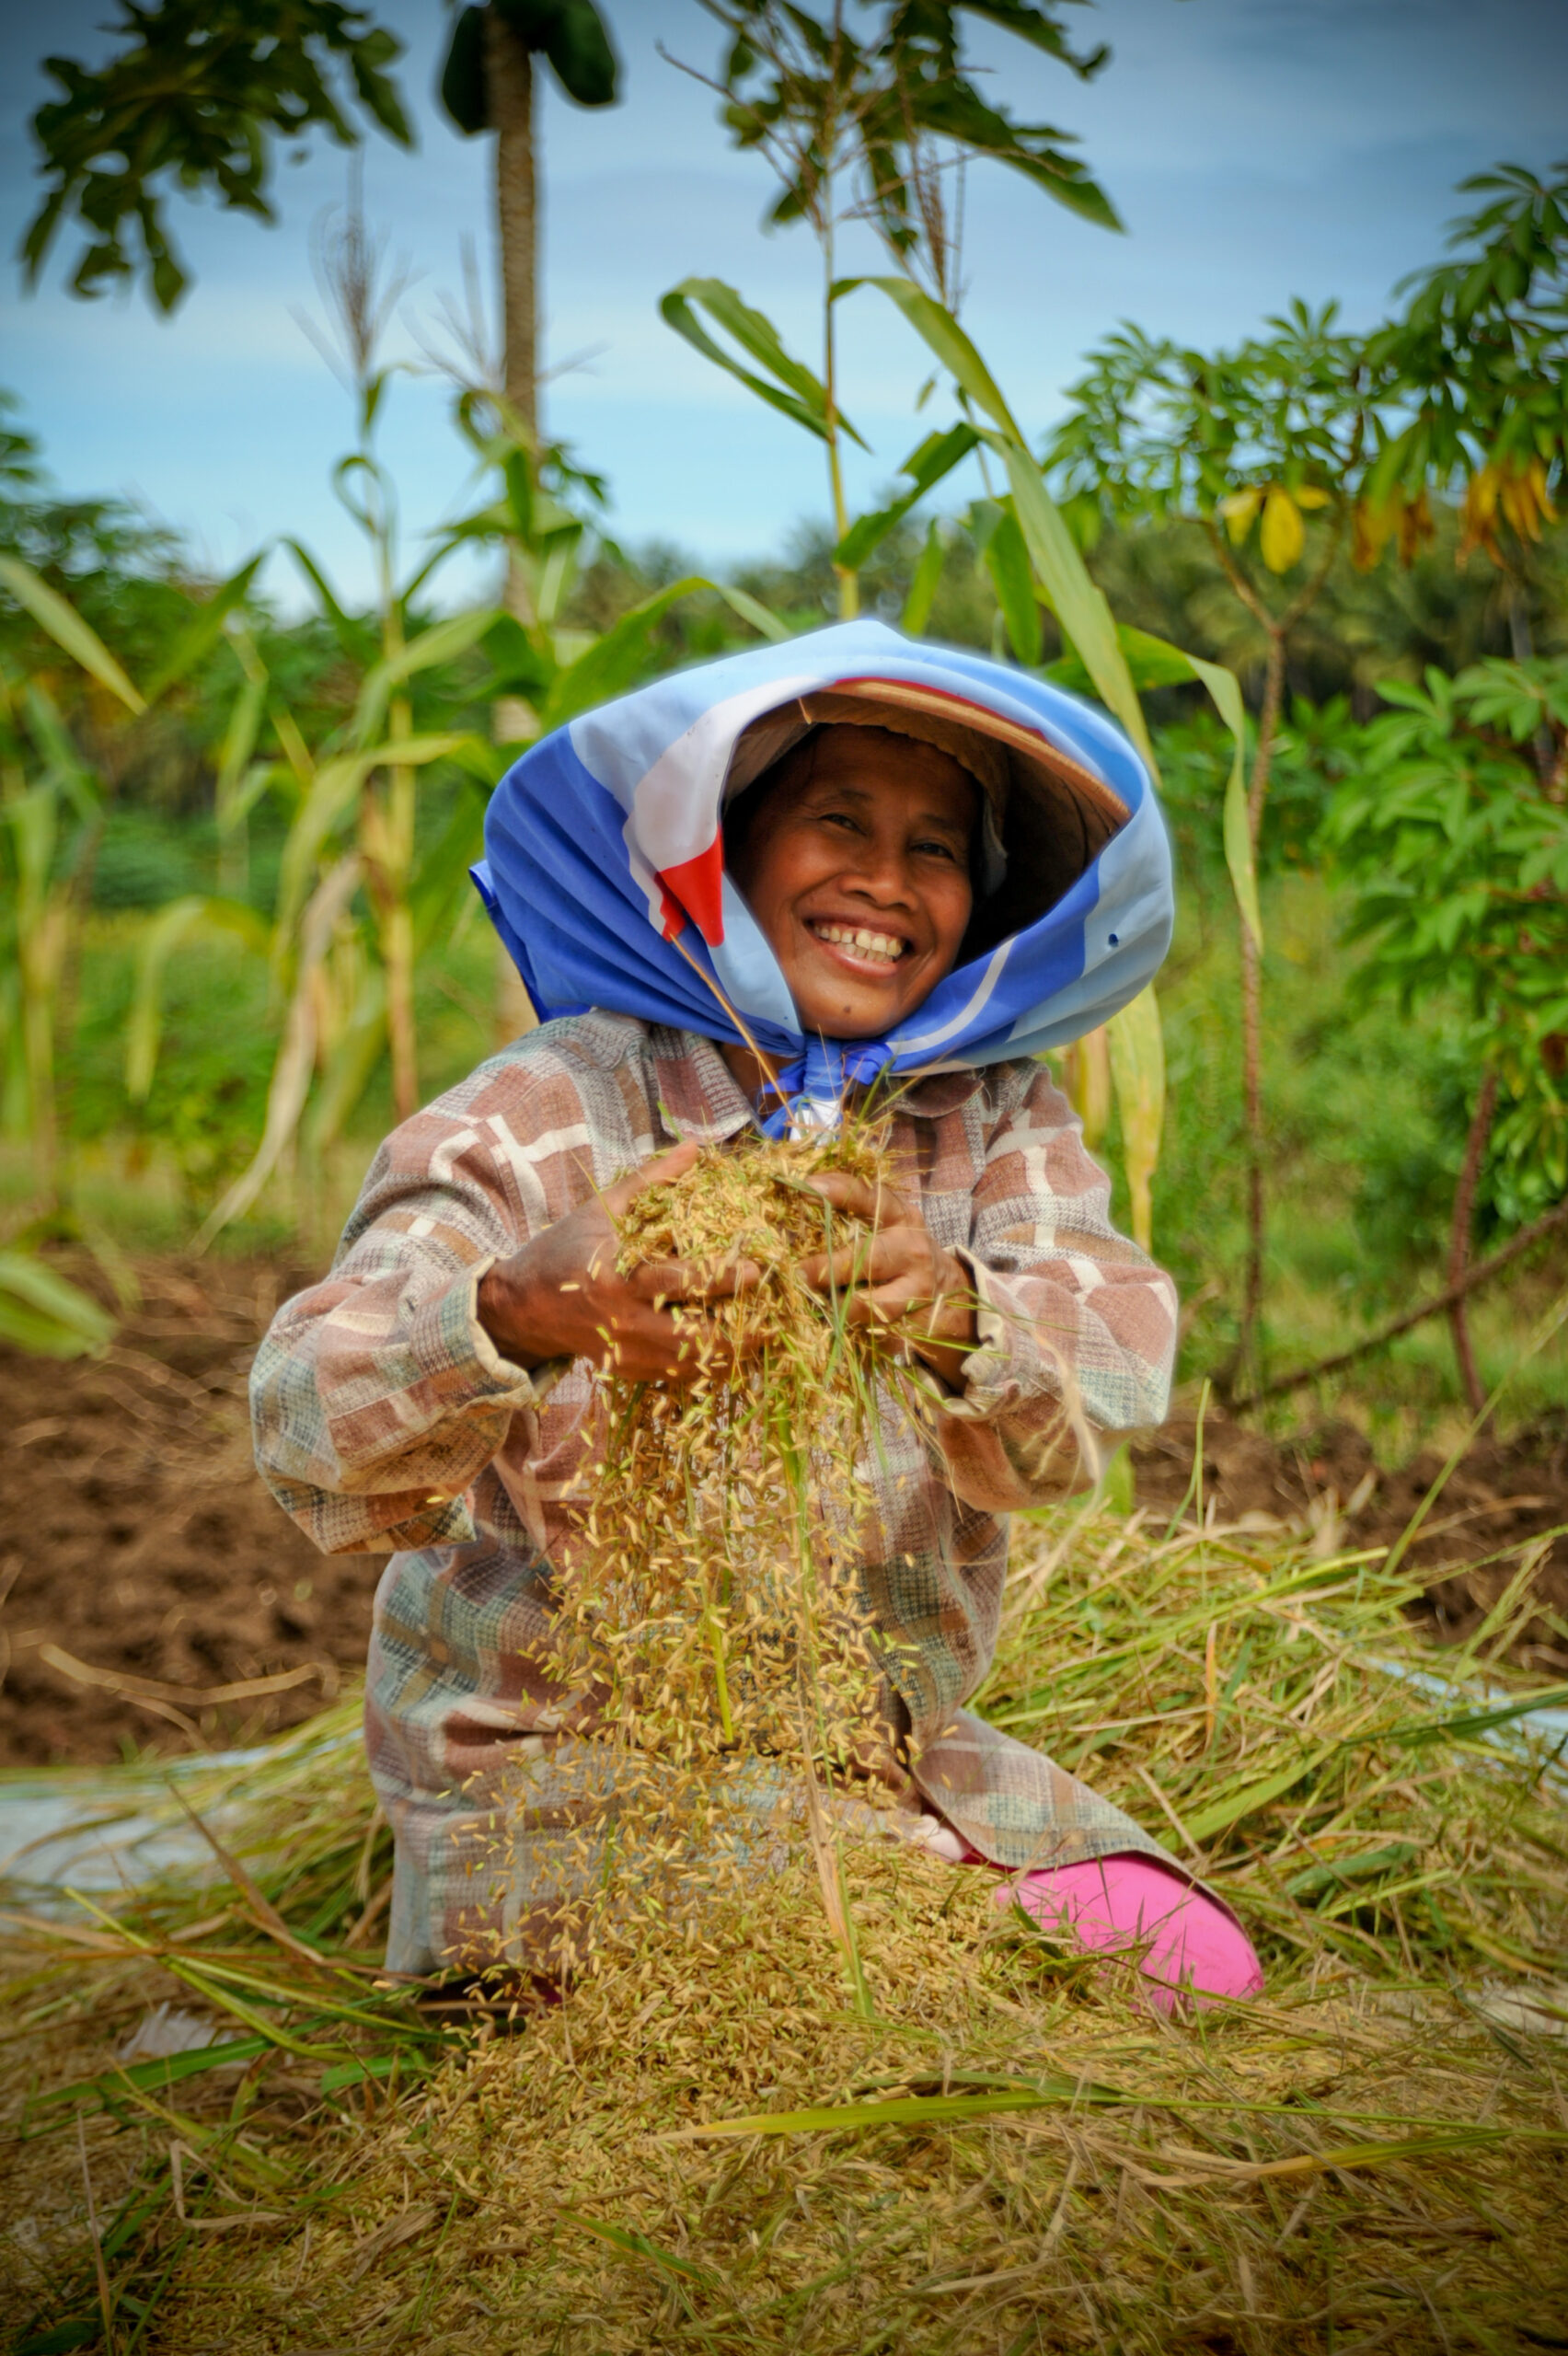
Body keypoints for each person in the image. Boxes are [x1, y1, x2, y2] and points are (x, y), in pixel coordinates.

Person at [251, 619, 1263, 2012]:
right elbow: (301, 1413)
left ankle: (921, 1873)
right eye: (837, 821)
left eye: (935, 849)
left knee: (1199, 1975)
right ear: (723, 857)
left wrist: (955, 1310)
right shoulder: (556, 1103)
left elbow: (1109, 1371)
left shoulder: (988, 1115)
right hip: (553, 1769)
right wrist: (523, 1310)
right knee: (883, 1997)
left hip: (871, 1750)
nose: (884, 881)